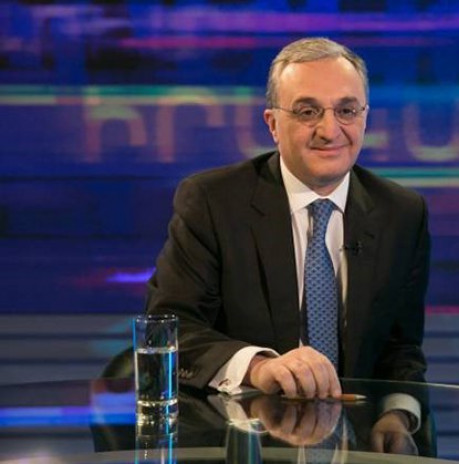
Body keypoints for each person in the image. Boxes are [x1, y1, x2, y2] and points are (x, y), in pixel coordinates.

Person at [145, 38, 430, 429]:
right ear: (273, 124)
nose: (329, 130)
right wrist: (259, 367)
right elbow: (170, 328)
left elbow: (401, 349)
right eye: (307, 111)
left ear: (365, 118)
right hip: (239, 439)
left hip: (357, 442)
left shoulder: (402, 213)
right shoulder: (213, 203)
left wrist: (398, 416)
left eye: (346, 111)